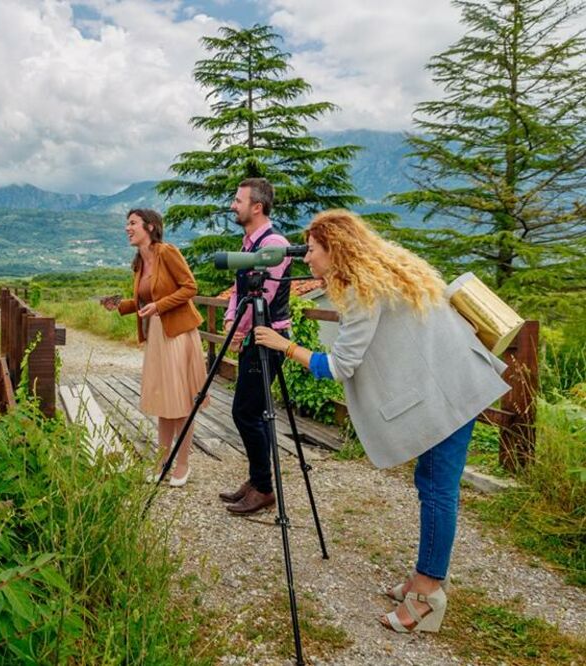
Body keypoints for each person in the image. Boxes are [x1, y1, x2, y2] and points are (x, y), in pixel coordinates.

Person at [253, 209, 510, 634]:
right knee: (431, 484)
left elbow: (340, 366)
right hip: (455, 380)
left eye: (312, 250)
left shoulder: (361, 291)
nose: (307, 259)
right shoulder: (387, 270)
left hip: (452, 392)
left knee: (437, 490)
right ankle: (423, 575)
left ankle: (427, 596)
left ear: (335, 249)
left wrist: (285, 346)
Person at [101, 208, 207, 487]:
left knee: (182, 402)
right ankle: (163, 463)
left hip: (178, 334)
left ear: (149, 227)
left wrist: (159, 306)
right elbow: (143, 301)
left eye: (132, 223)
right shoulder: (139, 263)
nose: (127, 228)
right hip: (157, 336)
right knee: (163, 400)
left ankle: (182, 464)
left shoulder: (166, 252)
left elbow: (189, 287)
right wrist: (120, 306)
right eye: (127, 224)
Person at [217, 178, 293, 515]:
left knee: (246, 412)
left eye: (238, 200)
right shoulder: (249, 244)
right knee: (250, 411)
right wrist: (231, 319)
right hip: (254, 336)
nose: (233, 205)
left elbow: (263, 296)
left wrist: (237, 330)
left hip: (270, 338)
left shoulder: (273, 245)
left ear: (256, 206)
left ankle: (263, 487)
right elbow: (239, 291)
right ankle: (257, 479)